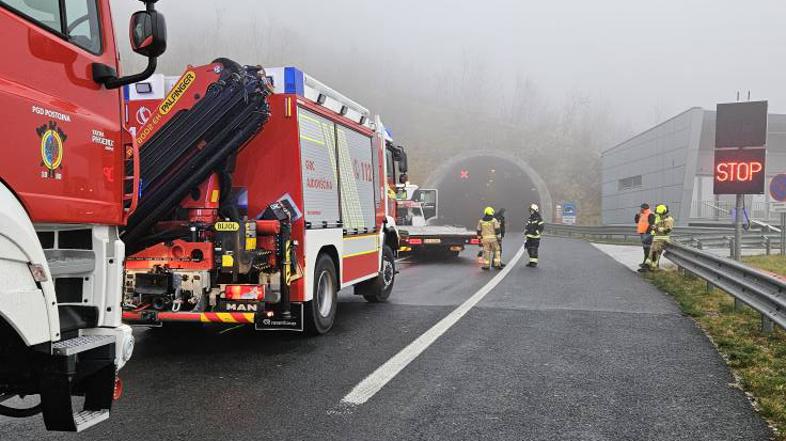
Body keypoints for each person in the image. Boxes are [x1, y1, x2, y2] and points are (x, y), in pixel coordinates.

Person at [638, 204, 674, 272]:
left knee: (655, 253)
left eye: (659, 214)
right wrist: (654, 227)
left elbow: (667, 230)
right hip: (657, 238)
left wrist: (656, 228)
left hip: (662, 238)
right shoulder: (661, 218)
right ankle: (647, 266)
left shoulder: (669, 220)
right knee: (651, 252)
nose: (659, 215)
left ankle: (653, 268)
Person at [634, 203, 653, 268]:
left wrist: (647, 233)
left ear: (644, 208)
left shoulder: (650, 214)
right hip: (642, 233)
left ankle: (647, 264)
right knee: (645, 249)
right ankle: (645, 263)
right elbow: (636, 221)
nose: (640, 209)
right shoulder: (642, 214)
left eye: (641, 208)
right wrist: (637, 215)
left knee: (647, 249)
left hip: (647, 234)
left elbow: (652, 224)